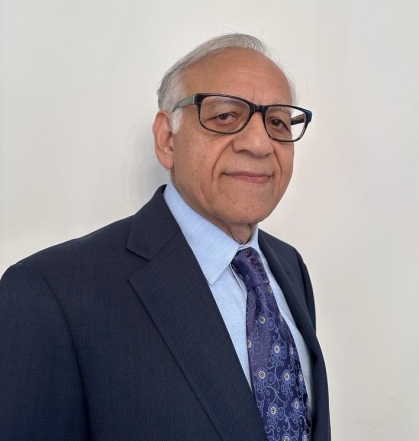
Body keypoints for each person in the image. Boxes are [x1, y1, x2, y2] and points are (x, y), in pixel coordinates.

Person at [0, 34, 330, 441]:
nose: (260, 143)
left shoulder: (288, 266)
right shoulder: (52, 293)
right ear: (167, 139)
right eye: (225, 116)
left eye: (278, 121)